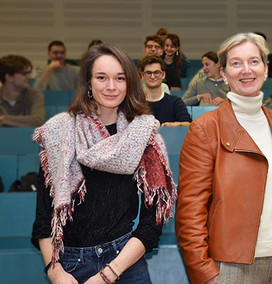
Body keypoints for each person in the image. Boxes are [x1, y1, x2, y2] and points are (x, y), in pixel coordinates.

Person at [175, 32, 272, 284]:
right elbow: (190, 211)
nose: (246, 70)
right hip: (231, 268)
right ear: (225, 74)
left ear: (265, 70)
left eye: (254, 61)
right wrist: (204, 272)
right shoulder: (206, 128)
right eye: (236, 63)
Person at [31, 43, 177, 284]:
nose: (111, 87)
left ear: (129, 83)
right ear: (88, 83)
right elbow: (44, 218)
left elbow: (153, 222)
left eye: (120, 78)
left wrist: (109, 273)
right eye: (101, 77)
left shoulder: (143, 134)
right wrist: (54, 271)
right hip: (69, 267)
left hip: (126, 263)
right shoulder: (60, 132)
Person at [138, 55, 191, 126]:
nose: (152, 76)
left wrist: (173, 125)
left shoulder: (175, 102)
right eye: (148, 73)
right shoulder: (135, 103)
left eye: (156, 72)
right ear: (142, 76)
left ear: (163, 75)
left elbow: (188, 124)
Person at [0, 55, 45, 127]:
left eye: (29, 73)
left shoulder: (34, 94)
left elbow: (38, 120)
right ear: (9, 77)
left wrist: (3, 119)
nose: (30, 77)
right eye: (24, 74)